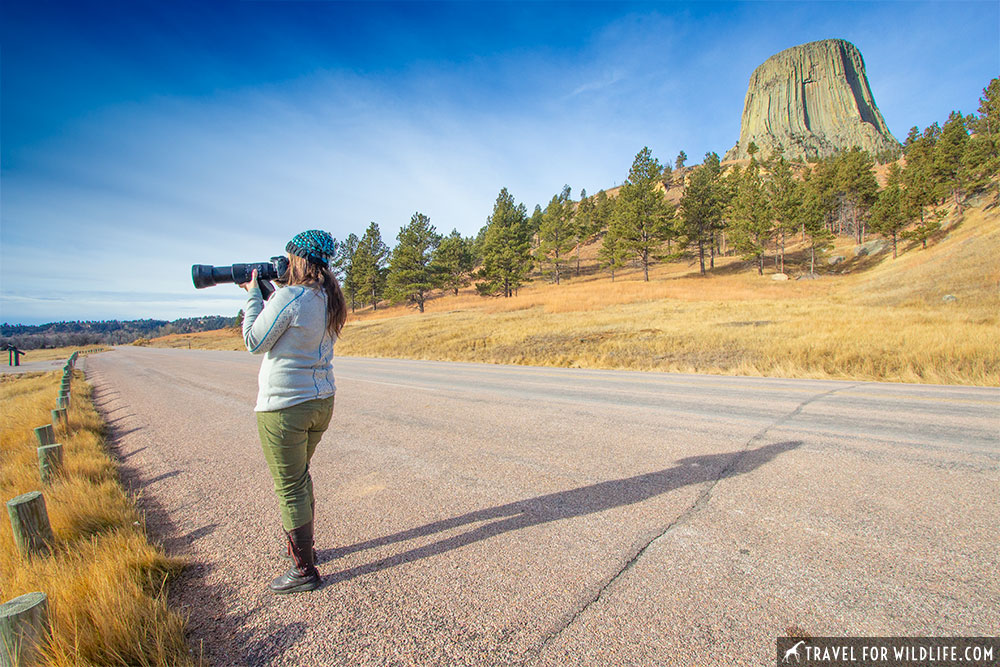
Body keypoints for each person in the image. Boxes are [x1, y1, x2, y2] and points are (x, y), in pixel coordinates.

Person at [239, 230, 347, 594]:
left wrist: (255, 297)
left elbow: (254, 341)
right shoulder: (328, 297)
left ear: (298, 260)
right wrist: (272, 294)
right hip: (321, 402)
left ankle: (304, 570)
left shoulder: (290, 296)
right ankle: (306, 550)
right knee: (299, 478)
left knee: (290, 486)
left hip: (285, 405)